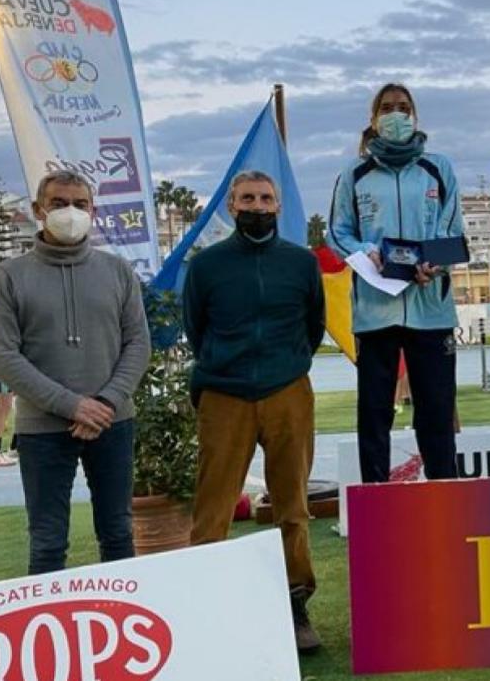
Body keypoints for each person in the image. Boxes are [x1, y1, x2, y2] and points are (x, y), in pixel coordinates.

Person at [184, 169, 326, 652]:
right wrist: (227, 369)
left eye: (266, 198)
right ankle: (206, 606)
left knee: (293, 507)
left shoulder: (301, 263)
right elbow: (195, 329)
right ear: (231, 205)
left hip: (288, 390)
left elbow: (314, 325)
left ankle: (295, 604)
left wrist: (284, 367)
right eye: (248, 198)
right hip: (223, 395)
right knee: (213, 510)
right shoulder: (206, 267)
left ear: (279, 207)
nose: (258, 206)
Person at [0, 172, 150, 574]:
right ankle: (47, 631)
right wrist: (73, 406)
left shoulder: (118, 272)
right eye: (59, 204)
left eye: (80, 204)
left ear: (93, 211)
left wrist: (106, 403)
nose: (70, 213)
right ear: (38, 211)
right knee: (47, 540)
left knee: (117, 533)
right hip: (43, 428)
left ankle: (122, 625)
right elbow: (5, 357)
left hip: (113, 422)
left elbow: (138, 344)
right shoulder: (8, 278)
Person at [329, 83, 462, 483]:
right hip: (375, 312)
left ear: (415, 116)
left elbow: (451, 230)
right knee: (374, 415)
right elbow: (338, 233)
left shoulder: (439, 167)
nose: (396, 114)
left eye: (403, 107)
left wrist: (433, 264)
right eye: (387, 108)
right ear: (373, 120)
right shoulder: (355, 173)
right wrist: (366, 253)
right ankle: (376, 503)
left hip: (431, 311)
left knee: (437, 414)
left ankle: (445, 497)